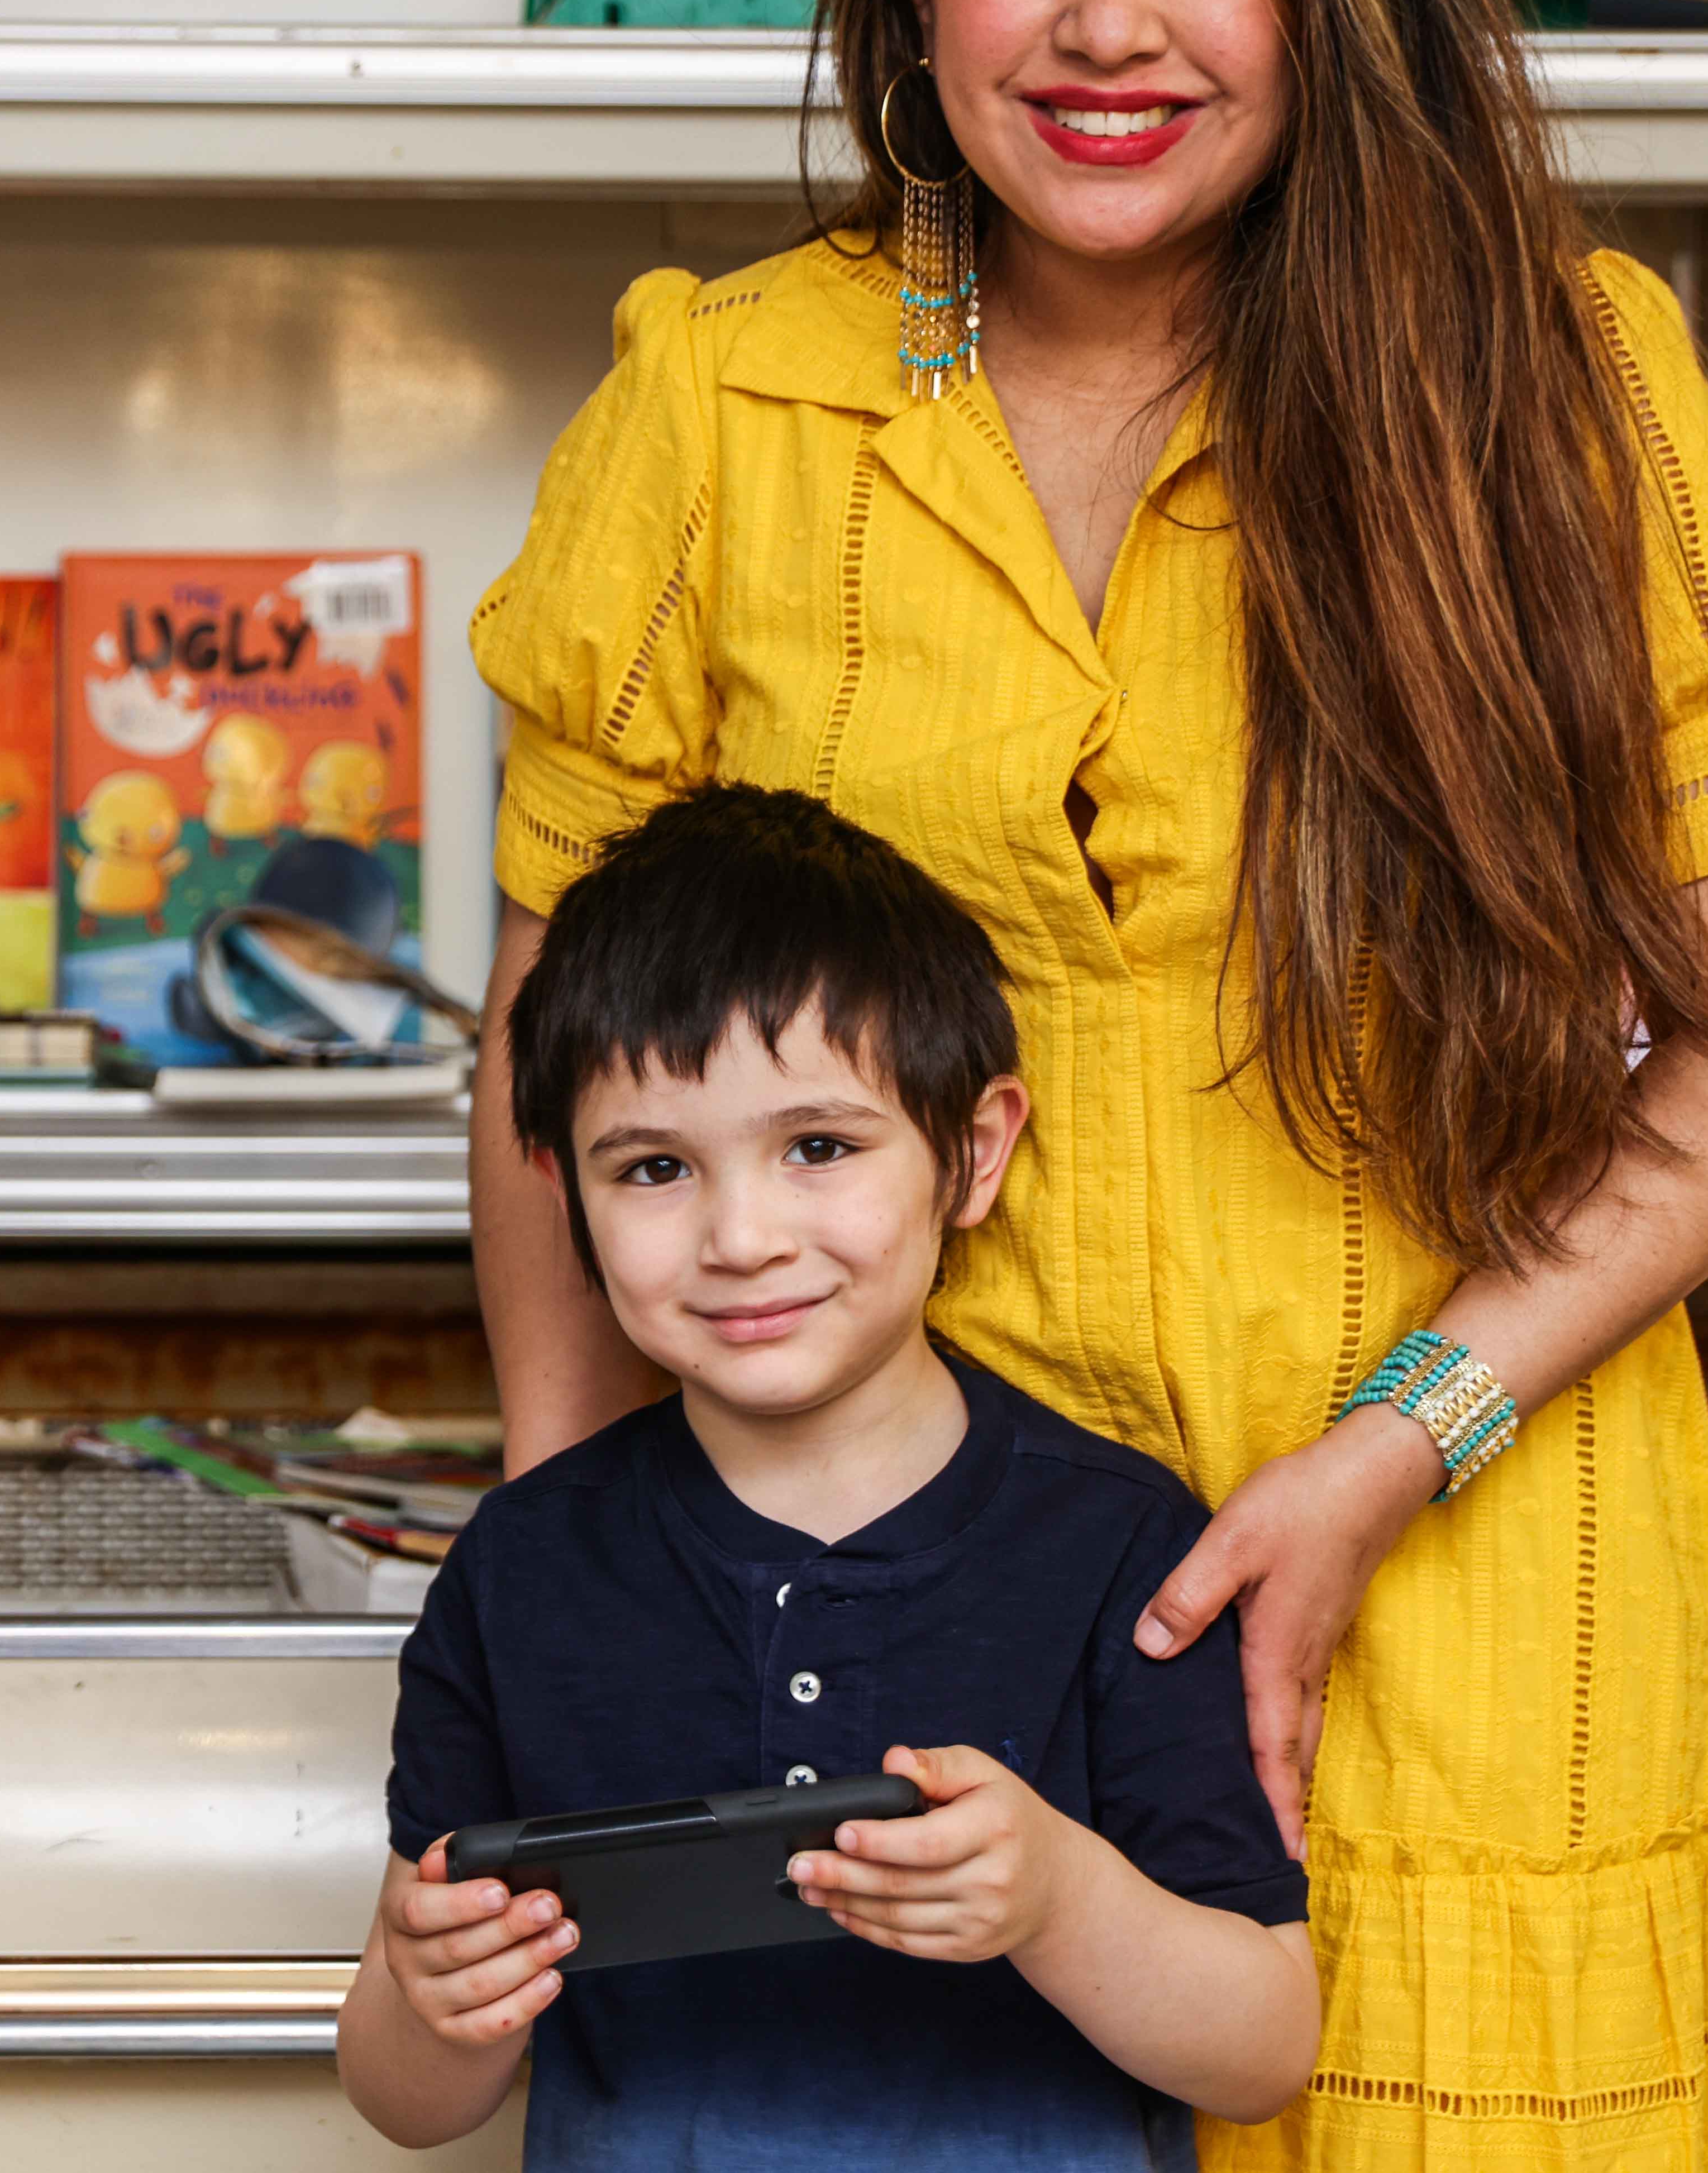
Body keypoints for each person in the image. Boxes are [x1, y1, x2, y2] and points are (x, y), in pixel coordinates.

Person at [469, 0, 1708, 2168]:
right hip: (913, 1631)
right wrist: (588, 1584)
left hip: (1475, 1588)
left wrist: (1385, 1451)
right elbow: (552, 1059)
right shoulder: (717, 412)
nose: (1105, 25)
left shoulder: (1556, 399)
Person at [341, 786, 1320, 2165]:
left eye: (817, 1146)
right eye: (654, 1167)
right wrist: (440, 2005)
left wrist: (1056, 1900)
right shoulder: (520, 1570)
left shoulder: (1119, 1545)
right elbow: (403, 2095)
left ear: (972, 1152)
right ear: (563, 1189)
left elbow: (1263, 2047)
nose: (740, 1235)